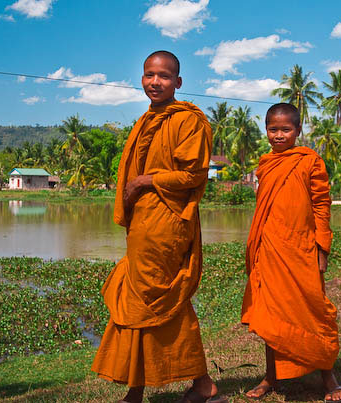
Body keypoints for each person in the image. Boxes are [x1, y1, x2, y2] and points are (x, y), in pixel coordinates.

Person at [91, 50, 227, 403]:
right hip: (144, 223)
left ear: (178, 82)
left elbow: (193, 174)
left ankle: (180, 386)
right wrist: (137, 192)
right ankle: (157, 387)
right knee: (144, 298)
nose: (156, 81)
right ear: (142, 78)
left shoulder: (187, 120)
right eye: (149, 74)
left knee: (160, 298)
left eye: (164, 76)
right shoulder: (145, 120)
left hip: (168, 222)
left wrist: (142, 182)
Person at [241, 103, 341, 402]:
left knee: (314, 312)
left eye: (286, 129)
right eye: (273, 129)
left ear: (298, 130)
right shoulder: (265, 164)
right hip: (270, 248)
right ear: (266, 130)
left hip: (301, 248)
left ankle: (328, 376)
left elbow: (321, 206)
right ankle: (272, 376)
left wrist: (322, 248)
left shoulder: (309, 161)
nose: (278, 135)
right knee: (272, 314)